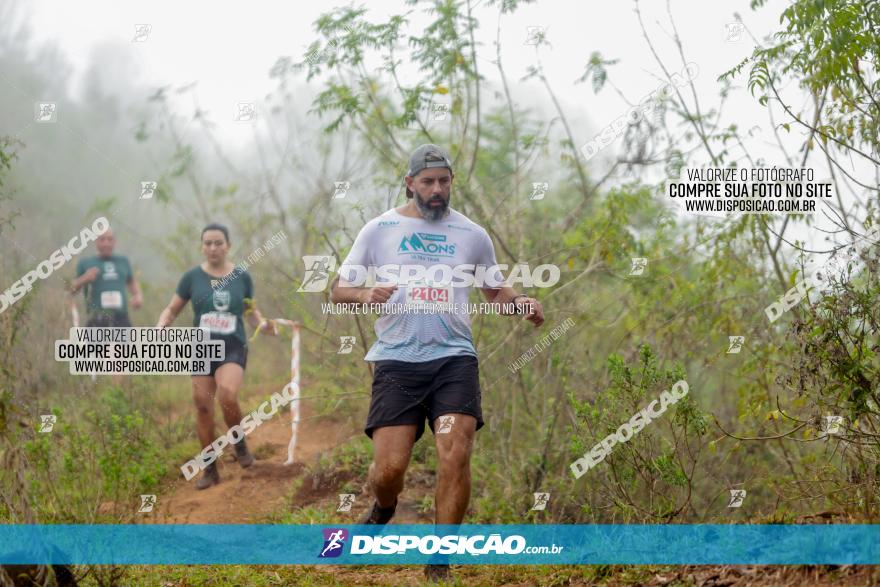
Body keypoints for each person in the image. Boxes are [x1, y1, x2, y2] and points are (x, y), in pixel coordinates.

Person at [330, 144, 545, 582]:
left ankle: (440, 557)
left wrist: (521, 302)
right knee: (389, 470)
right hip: (397, 360)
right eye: (427, 182)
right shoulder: (379, 229)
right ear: (410, 183)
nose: (436, 190)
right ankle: (384, 507)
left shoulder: (472, 235)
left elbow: (494, 293)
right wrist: (363, 294)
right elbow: (338, 289)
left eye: (443, 181)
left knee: (456, 451)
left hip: (453, 361)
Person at [157, 223, 276, 490]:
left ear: (228, 246)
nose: (213, 248)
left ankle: (239, 444)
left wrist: (264, 325)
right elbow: (172, 308)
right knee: (201, 404)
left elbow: (250, 311)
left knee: (227, 395)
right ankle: (210, 469)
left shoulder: (242, 277)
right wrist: (162, 323)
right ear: (202, 246)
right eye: (208, 243)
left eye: (218, 243)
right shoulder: (191, 278)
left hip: (233, 344)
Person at [70, 228, 142, 327]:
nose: (106, 243)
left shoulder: (123, 261)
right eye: (102, 239)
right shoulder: (85, 263)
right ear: (95, 241)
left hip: (121, 318)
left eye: (110, 239)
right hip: (96, 318)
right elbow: (71, 290)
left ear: (115, 242)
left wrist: (137, 295)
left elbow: (131, 281)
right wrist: (84, 279)